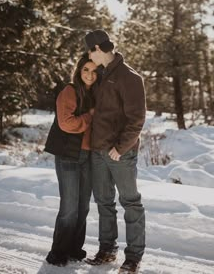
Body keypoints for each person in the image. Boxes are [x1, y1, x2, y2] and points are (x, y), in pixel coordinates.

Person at [83, 29, 146, 273]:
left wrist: (120, 148)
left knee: (131, 202)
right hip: (98, 151)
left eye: (90, 50)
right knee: (104, 202)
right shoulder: (101, 74)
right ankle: (107, 249)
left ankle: (133, 257)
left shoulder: (129, 77)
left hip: (120, 153)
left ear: (98, 49)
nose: (88, 55)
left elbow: (137, 119)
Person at [44, 53, 99, 266]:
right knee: (69, 207)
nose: (90, 74)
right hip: (68, 155)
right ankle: (58, 252)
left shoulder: (96, 93)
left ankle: (75, 248)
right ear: (79, 70)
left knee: (83, 205)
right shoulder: (69, 91)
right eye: (86, 69)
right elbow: (66, 123)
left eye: (94, 71)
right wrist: (90, 116)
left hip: (88, 155)